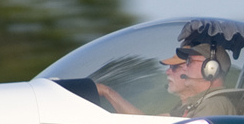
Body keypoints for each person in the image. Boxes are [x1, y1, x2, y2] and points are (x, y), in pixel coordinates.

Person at [97, 42, 236, 117]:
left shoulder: (213, 105)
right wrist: (107, 92)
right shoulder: (197, 104)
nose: (185, 68)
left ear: (211, 69)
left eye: (190, 62)